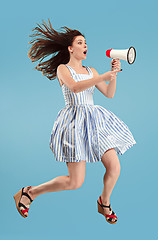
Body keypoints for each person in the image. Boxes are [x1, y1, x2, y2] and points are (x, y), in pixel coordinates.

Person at [13, 19, 136, 224]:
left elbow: (109, 94)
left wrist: (113, 76)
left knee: (114, 167)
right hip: (74, 124)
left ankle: (104, 203)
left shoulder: (93, 71)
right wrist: (103, 76)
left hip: (96, 123)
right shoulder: (63, 69)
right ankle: (30, 193)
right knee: (75, 182)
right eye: (80, 42)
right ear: (70, 49)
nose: (85, 45)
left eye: (85, 42)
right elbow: (75, 88)